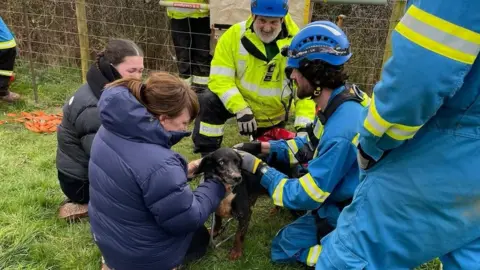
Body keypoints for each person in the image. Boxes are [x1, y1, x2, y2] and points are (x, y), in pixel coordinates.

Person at [233, 20, 370, 268]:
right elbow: (308, 144)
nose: (292, 76)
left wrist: (259, 169)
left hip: (352, 209)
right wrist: (263, 148)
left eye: (295, 70)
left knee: (283, 247)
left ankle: (346, 257)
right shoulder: (342, 100)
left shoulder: (341, 130)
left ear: (314, 72)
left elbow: (307, 194)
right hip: (348, 193)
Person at [88, 71, 230, 270]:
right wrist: (216, 185)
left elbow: (136, 177)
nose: (184, 130)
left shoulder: (111, 129)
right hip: (140, 256)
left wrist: (184, 170)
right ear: (163, 119)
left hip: (108, 238)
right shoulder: (159, 164)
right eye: (183, 123)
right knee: (199, 241)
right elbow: (186, 219)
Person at [191, 0, 316, 157]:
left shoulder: (298, 44)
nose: (267, 27)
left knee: (264, 162)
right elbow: (220, 78)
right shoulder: (234, 35)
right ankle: (208, 157)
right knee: (208, 100)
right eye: (262, 20)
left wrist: (304, 130)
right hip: (240, 104)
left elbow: (305, 92)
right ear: (253, 16)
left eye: (273, 22)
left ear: (283, 19)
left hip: (273, 114)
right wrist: (241, 109)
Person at [56, 39, 144, 221]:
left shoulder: (107, 88)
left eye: (141, 71)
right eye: (131, 71)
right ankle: (85, 204)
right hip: (79, 183)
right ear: (110, 67)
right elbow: (103, 158)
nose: (137, 77)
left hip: (84, 171)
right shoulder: (95, 108)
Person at [165, 0, 211, 91]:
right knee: (183, 55)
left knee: (201, 55)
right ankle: (184, 90)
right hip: (178, 13)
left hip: (201, 12)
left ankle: (201, 90)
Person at [0, 16, 20, 103]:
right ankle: (3, 92)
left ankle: (3, 93)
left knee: (3, 71)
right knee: (4, 72)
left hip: (4, 46)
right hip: (9, 46)